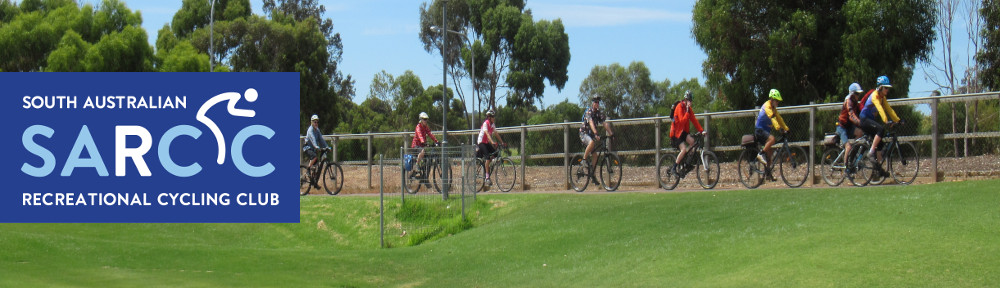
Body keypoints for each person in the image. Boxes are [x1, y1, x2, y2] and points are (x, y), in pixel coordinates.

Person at [859, 75, 901, 170]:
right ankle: (871, 152)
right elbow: (880, 109)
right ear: (880, 87)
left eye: (888, 88)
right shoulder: (875, 95)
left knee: (881, 144)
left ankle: (877, 171)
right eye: (886, 88)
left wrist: (898, 120)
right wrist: (886, 121)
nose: (887, 90)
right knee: (881, 130)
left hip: (870, 121)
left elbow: (889, 109)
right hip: (864, 119)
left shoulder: (882, 97)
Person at [754, 89, 789, 180]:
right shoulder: (767, 106)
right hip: (759, 130)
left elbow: (779, 118)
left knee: (770, 154)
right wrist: (779, 128)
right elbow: (773, 118)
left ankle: (768, 174)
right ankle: (760, 154)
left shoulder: (774, 108)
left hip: (765, 131)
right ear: (772, 99)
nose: (778, 102)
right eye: (776, 101)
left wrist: (786, 128)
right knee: (772, 139)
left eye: (778, 101)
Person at [669, 90, 705, 176]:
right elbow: (681, 122)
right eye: (689, 100)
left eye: (691, 100)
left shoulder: (688, 109)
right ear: (685, 99)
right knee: (684, 149)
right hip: (675, 133)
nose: (690, 102)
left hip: (682, 132)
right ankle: (674, 168)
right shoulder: (679, 107)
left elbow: (694, 120)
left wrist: (701, 130)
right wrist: (687, 112)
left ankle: (686, 164)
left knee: (692, 142)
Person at [580, 96, 614, 184]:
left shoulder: (599, 113)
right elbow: (590, 122)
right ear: (593, 103)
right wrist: (596, 133)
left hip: (591, 135)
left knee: (595, 156)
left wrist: (611, 134)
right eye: (596, 102)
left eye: (598, 102)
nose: (597, 104)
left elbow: (604, 123)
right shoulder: (589, 112)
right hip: (584, 134)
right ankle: (583, 161)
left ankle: (593, 175)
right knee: (591, 143)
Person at [837, 83, 864, 171]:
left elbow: (861, 113)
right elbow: (851, 115)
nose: (858, 96)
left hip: (849, 127)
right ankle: (846, 168)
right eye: (857, 94)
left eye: (859, 94)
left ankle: (852, 154)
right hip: (842, 127)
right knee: (848, 146)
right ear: (852, 94)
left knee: (860, 133)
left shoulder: (855, 102)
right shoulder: (848, 101)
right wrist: (860, 123)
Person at [477, 109, 508, 186]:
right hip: (481, 142)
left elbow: (496, 134)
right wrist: (492, 142)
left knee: (496, 154)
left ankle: (487, 165)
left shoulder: (492, 125)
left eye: (494, 116)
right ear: (489, 117)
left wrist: (502, 142)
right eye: (493, 116)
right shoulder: (485, 124)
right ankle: (487, 177)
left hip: (486, 142)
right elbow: (487, 134)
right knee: (487, 157)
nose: (494, 118)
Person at [304, 114, 329, 188]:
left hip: (314, 148)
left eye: (317, 122)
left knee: (316, 166)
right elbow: (313, 140)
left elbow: (321, 139)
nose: (316, 123)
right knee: (314, 157)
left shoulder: (317, 130)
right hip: (307, 147)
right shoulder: (310, 130)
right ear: (312, 122)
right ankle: (308, 170)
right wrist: (316, 146)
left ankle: (314, 182)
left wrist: (327, 147)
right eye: (315, 122)